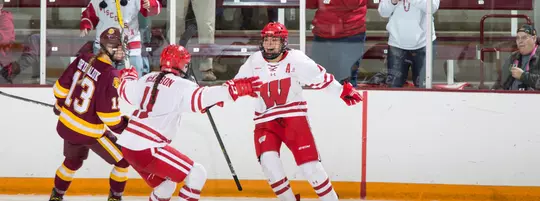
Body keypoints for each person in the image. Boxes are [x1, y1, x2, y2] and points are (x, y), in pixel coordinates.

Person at [233, 22, 363, 201]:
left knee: (310, 167)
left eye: (274, 40)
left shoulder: (296, 59)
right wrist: (218, 97)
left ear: (283, 42)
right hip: (264, 121)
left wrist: (341, 91)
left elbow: (319, 77)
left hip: (293, 119)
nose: (269, 44)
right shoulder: (254, 61)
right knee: (269, 165)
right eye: (266, 39)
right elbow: (235, 85)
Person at [115, 44, 262, 201]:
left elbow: (124, 91)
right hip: (147, 147)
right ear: (180, 64)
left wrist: (128, 77)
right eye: (185, 64)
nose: (187, 67)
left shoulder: (147, 78)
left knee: (165, 185)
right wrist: (235, 89)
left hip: (129, 147)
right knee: (197, 174)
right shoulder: (181, 85)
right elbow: (202, 96)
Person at [49, 27, 131, 201]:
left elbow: (60, 89)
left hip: (66, 125)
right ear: (109, 49)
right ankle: (115, 197)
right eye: (119, 47)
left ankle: (56, 195)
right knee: (124, 160)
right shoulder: (111, 75)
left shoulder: (84, 58)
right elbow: (107, 116)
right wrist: (125, 126)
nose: (122, 51)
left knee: (72, 162)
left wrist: (60, 104)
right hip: (88, 132)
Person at [80, 0, 162, 76]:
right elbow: (89, 14)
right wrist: (86, 24)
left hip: (130, 45)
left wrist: (150, 4)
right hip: (104, 47)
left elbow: (154, 8)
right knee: (101, 79)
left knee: (133, 78)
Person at [378, 0, 440, 88]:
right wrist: (393, 1)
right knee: (394, 88)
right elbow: (383, 12)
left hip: (424, 43)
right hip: (396, 43)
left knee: (423, 88)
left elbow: (432, 7)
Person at [492, 24, 540, 90]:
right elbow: (500, 82)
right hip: (510, 98)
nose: (520, 41)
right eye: (518, 38)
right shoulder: (513, 57)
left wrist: (523, 76)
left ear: (534, 39)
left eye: (524, 38)